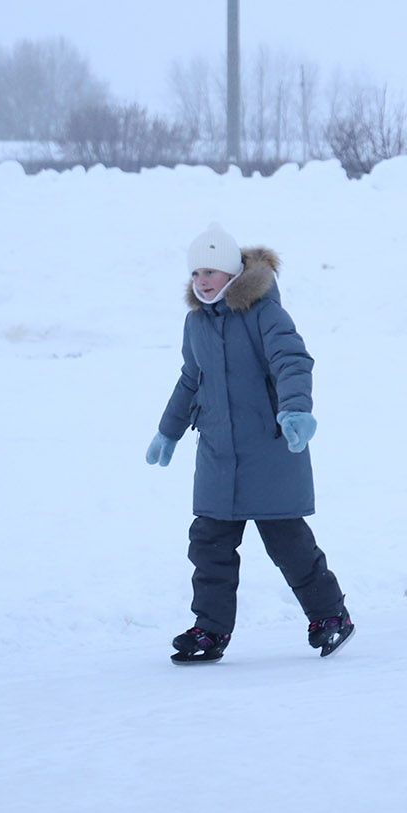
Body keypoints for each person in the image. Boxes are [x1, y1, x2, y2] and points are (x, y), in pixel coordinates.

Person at [145, 222, 354, 663]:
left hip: (270, 450)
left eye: (211, 273)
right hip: (219, 458)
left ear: (233, 274)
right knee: (209, 547)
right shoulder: (196, 323)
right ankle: (210, 631)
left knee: (289, 544)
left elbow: (292, 361)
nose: (202, 282)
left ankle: (331, 616)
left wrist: (296, 410)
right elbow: (190, 380)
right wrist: (168, 431)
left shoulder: (265, 314)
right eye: (196, 273)